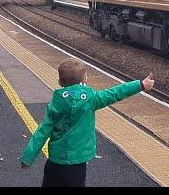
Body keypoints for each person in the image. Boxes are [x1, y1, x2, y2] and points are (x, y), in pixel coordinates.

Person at [20, 57, 155, 187]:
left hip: (55, 163)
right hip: (77, 164)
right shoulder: (91, 99)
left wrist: (27, 157)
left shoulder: (55, 103)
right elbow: (115, 93)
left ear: (60, 82)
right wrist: (141, 85)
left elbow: (42, 131)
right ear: (84, 80)